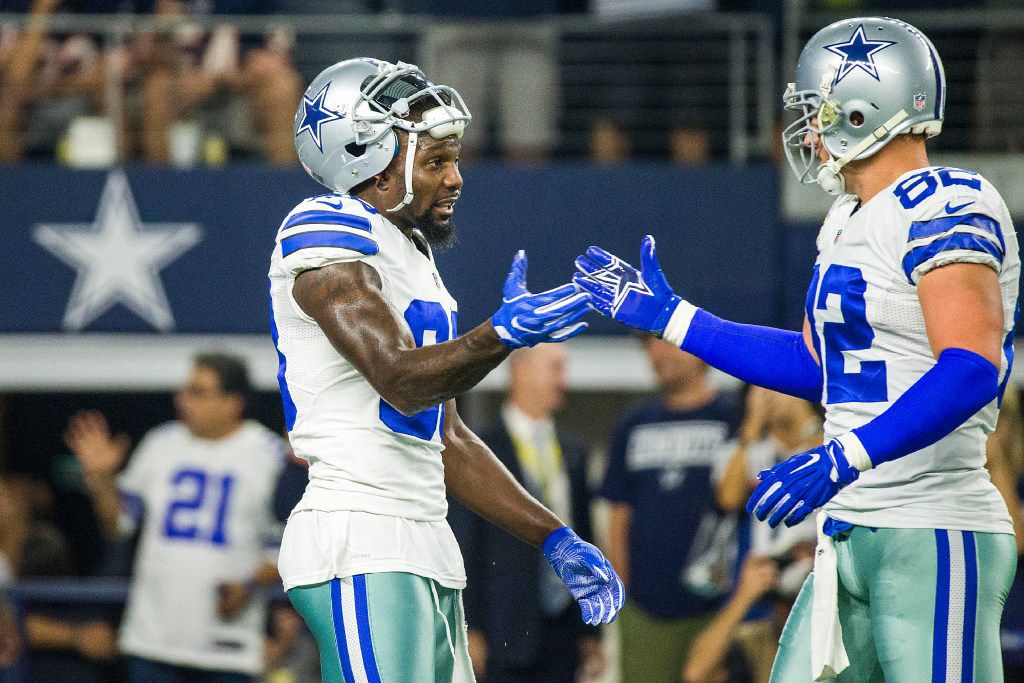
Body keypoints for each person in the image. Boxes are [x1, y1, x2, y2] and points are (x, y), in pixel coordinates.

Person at [575, 16, 1018, 681]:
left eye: (820, 112)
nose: (809, 131)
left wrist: (848, 453)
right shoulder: (844, 219)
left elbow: (972, 367)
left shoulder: (949, 201)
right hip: (847, 531)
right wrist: (678, 320)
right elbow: (818, 366)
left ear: (869, 108)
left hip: (932, 524)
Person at [271, 58, 623, 682]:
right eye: (435, 161)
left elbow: (447, 438)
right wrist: (500, 336)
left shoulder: (411, 254)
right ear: (366, 163)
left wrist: (553, 536)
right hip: (359, 532)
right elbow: (399, 378)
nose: (456, 179)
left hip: (424, 537)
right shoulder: (326, 228)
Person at [66, 353, 286, 683]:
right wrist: (102, 480)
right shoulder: (161, 443)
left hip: (228, 645)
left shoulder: (268, 454)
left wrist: (251, 583)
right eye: (184, 390)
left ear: (232, 402)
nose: (183, 400)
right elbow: (117, 525)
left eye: (198, 392)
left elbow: (289, 542)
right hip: (152, 639)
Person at [449, 344, 604, 682]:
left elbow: (585, 538)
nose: (563, 382)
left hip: (562, 633)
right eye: (555, 369)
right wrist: (468, 626)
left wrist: (592, 629)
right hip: (504, 630)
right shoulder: (479, 450)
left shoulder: (574, 451)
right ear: (521, 370)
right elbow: (466, 544)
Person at [601, 335, 740, 682]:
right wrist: (621, 593)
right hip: (645, 612)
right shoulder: (632, 425)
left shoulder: (733, 418)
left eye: (666, 342)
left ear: (698, 349)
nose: (656, 354)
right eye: (649, 345)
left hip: (718, 609)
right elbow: (618, 516)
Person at [682, 539, 816, 683]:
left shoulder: (836, 635)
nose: (795, 612)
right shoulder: (758, 640)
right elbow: (697, 675)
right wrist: (744, 595)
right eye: (790, 602)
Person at [717, 387, 823, 556]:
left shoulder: (825, 437)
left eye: (778, 387)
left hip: (817, 557)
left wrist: (805, 417)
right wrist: (751, 429)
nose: (770, 396)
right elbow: (729, 499)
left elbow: (835, 465)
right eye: (761, 390)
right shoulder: (749, 449)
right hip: (764, 566)